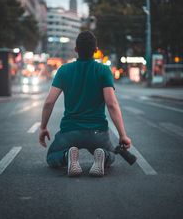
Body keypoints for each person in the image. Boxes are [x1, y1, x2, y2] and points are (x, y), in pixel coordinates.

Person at [39, 31, 131, 177]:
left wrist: (43, 127)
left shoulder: (64, 70)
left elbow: (49, 102)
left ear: (76, 49)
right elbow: (111, 104)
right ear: (95, 50)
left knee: (52, 157)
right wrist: (122, 135)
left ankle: (67, 156)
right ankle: (102, 156)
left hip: (70, 131)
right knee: (111, 155)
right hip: (97, 132)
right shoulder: (103, 70)